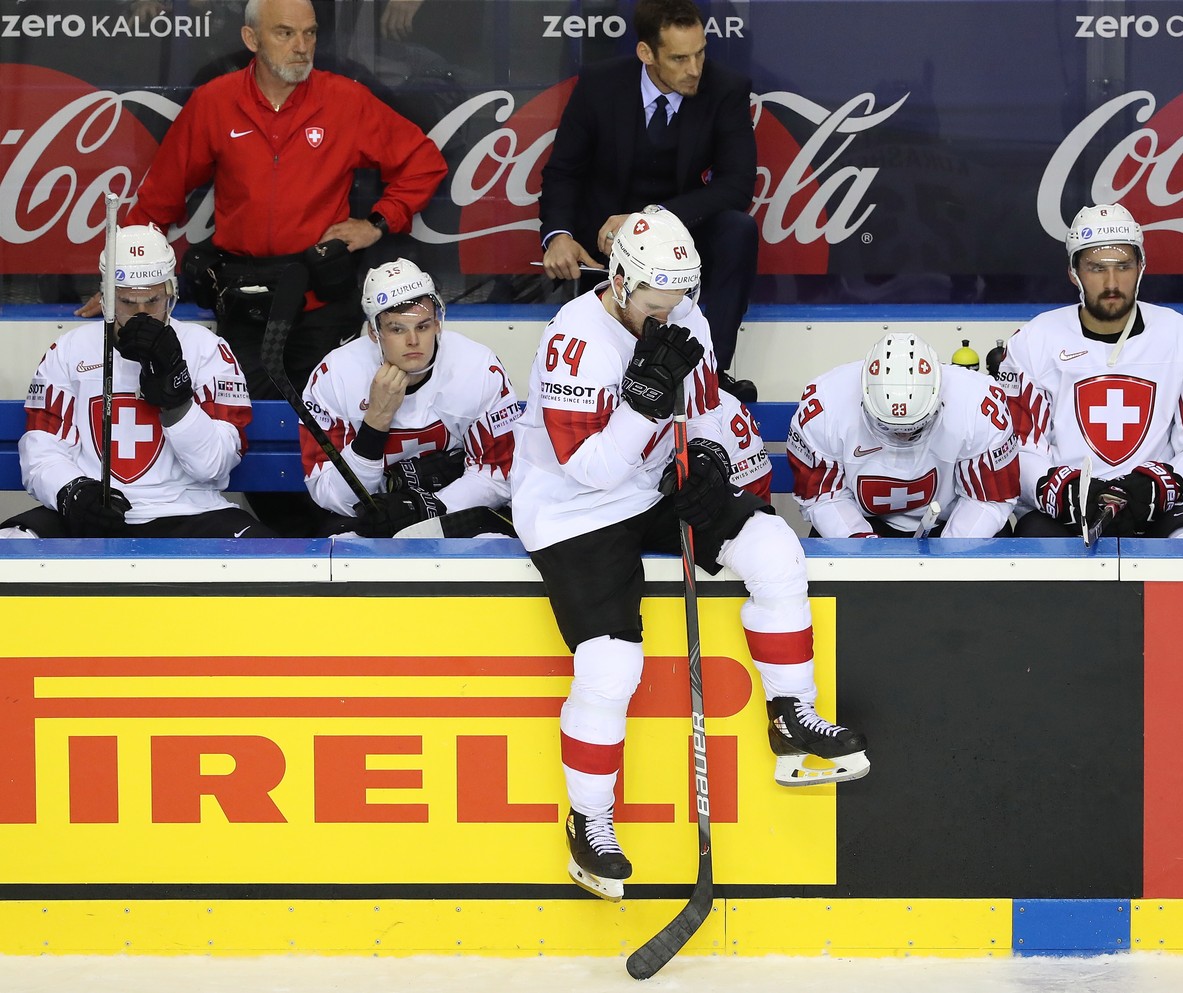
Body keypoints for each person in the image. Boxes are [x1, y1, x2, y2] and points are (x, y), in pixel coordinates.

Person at [510, 205, 869, 902]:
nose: (667, 315)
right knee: (611, 664)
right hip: (571, 509)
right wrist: (642, 407)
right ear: (617, 280)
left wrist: (710, 466)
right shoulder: (573, 341)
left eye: (678, 301)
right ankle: (590, 822)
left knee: (774, 551)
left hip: (648, 484)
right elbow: (587, 468)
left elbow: (702, 410)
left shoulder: (685, 312)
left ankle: (792, 719)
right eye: (653, 302)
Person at [119, 0, 448, 402]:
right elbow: (159, 198)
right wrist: (120, 277)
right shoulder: (215, 102)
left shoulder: (345, 100)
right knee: (244, 424)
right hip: (244, 302)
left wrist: (378, 223)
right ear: (251, 38)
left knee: (329, 422)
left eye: (309, 33)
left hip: (321, 300)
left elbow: (424, 161)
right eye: (285, 33)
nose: (301, 45)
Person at [538, 0, 759, 403]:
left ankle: (712, 373)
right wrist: (558, 236)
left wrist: (649, 219)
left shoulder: (725, 88)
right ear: (646, 53)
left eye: (701, 53)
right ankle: (594, 376)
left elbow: (737, 185)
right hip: (604, 236)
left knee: (737, 230)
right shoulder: (599, 84)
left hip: (681, 232)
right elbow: (563, 171)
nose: (695, 69)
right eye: (679, 58)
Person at [1, 225, 276, 539]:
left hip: (189, 510)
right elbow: (42, 449)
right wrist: (72, 492)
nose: (142, 313)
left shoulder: (208, 349)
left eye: (153, 300)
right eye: (129, 302)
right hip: (98, 512)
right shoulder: (67, 351)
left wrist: (178, 400)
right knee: (12, 542)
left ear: (170, 293)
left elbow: (214, 466)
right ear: (105, 297)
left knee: (270, 559)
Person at [1000, 203, 1183, 538]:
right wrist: (1062, 490)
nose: (1111, 282)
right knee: (1038, 557)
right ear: (1073, 273)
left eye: (1123, 266)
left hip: (1154, 503)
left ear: (1141, 268)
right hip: (1065, 507)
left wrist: (1161, 485)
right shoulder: (1033, 340)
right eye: (1096, 268)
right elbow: (1015, 447)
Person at [301, 259, 519, 537]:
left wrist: (428, 507)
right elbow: (330, 494)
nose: (413, 341)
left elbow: (499, 474)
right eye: (397, 329)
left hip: (456, 508)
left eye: (423, 326)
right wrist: (375, 423)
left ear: (438, 325)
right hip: (369, 514)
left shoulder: (479, 367)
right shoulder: (335, 375)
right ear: (373, 332)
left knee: (493, 544)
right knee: (345, 545)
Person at [786, 333, 1020, 538]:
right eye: (890, 428)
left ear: (938, 399)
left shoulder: (978, 402)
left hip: (950, 520)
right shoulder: (825, 403)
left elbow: (988, 498)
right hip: (862, 518)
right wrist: (860, 544)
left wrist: (951, 553)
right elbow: (824, 496)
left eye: (914, 428)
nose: (902, 438)